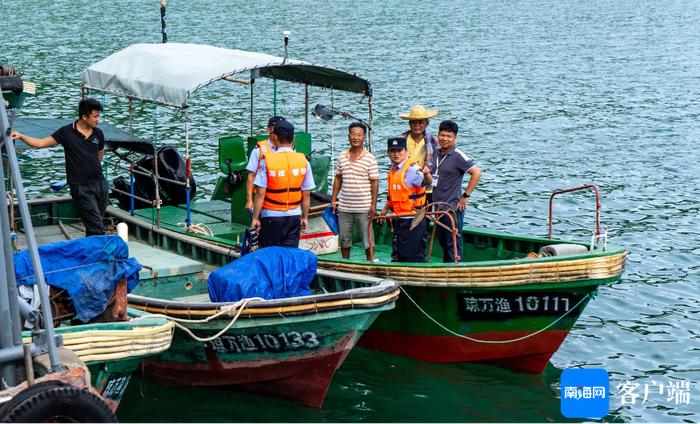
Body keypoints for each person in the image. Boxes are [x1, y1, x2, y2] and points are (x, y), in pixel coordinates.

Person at [11, 98, 108, 236]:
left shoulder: (98, 133)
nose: (98, 120)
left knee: (95, 222)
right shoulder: (66, 132)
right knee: (96, 226)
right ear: (84, 117)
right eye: (96, 116)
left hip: (100, 183)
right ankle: (100, 252)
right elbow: (40, 143)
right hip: (81, 186)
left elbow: (99, 153)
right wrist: (20, 136)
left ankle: (91, 250)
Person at [250, 119, 315, 248]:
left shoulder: (267, 160)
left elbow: (260, 192)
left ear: (274, 137)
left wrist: (255, 218)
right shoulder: (303, 160)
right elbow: (306, 194)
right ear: (293, 137)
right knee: (289, 255)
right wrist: (305, 217)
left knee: (270, 256)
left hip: (271, 216)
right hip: (294, 216)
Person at [430, 120, 481, 262]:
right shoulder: (435, 152)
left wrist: (466, 195)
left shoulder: (458, 156)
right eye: (442, 135)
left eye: (449, 136)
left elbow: (476, 173)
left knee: (453, 243)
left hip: (452, 207)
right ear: (438, 135)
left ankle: (457, 270)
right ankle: (447, 268)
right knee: (443, 242)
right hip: (438, 207)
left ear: (455, 138)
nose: (445, 139)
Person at [330, 122, 379, 260]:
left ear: (364, 137)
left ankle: (371, 263)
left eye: (359, 135)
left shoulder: (370, 158)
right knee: (344, 239)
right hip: (345, 206)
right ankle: (346, 262)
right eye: (353, 134)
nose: (356, 137)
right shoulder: (342, 156)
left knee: (367, 239)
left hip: (364, 207)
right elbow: (338, 178)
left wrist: (373, 204)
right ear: (348, 136)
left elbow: (374, 182)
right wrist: (333, 199)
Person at [379, 137, 432, 262]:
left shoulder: (412, 169)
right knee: (400, 252)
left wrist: (426, 174)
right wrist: (384, 210)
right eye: (392, 151)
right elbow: (395, 195)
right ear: (388, 153)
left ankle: (417, 277)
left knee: (413, 254)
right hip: (399, 218)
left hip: (413, 219)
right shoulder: (394, 169)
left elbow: (427, 182)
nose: (396, 154)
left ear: (406, 151)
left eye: (399, 151)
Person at [245, 116, 285, 212]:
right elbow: (251, 176)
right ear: (268, 130)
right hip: (263, 196)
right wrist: (249, 200)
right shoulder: (258, 150)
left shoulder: (289, 148)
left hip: (282, 196)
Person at [399, 104, 439, 169]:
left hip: (425, 177)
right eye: (414, 122)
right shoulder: (401, 139)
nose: (417, 125)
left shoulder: (433, 140)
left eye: (420, 122)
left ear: (427, 124)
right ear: (409, 123)